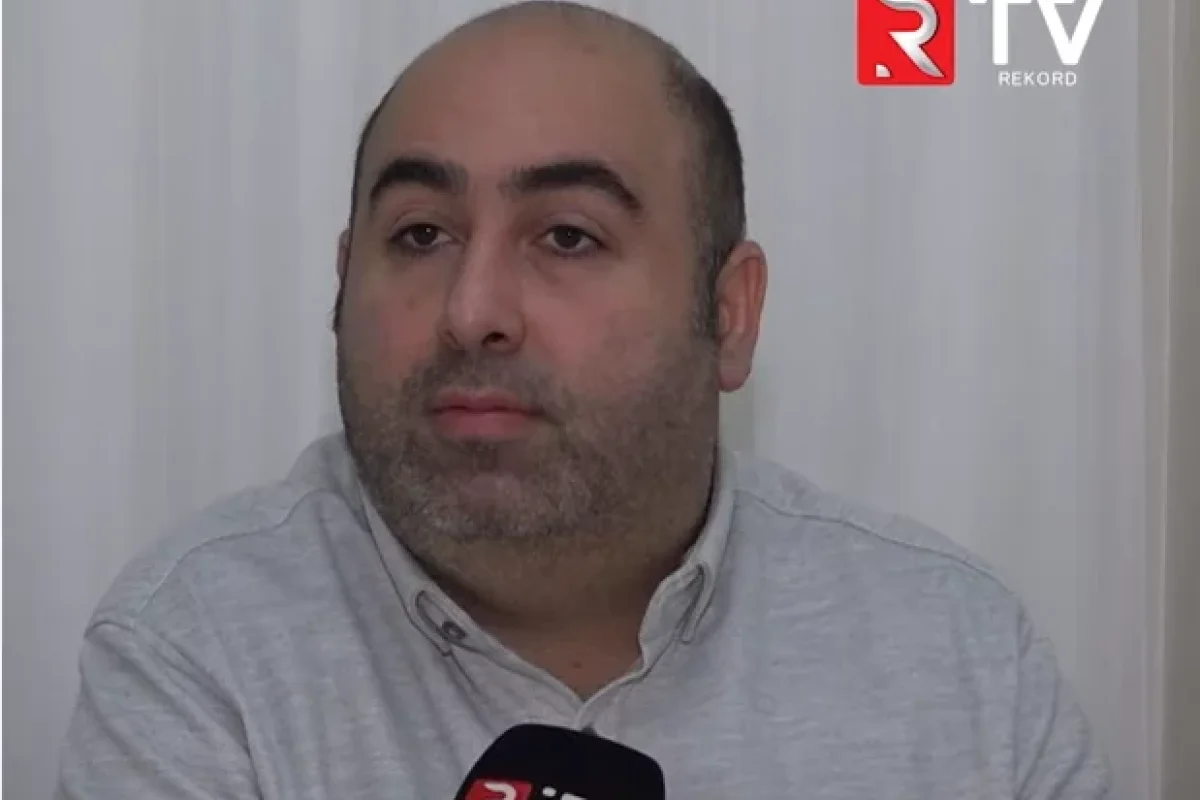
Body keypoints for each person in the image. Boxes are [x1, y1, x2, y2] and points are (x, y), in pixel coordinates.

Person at [56, 2, 1112, 798]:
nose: (472, 311)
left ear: (730, 312)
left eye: (567, 236)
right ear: (341, 283)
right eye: (420, 234)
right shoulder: (202, 649)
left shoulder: (957, 654)